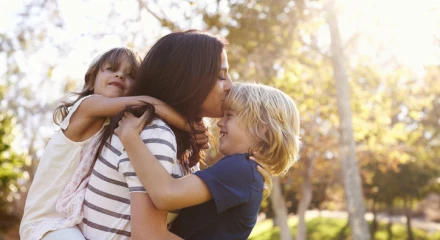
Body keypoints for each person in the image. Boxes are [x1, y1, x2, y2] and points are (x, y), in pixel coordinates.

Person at [19, 47, 193, 240]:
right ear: (92, 82)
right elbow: (148, 104)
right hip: (47, 222)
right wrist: (190, 126)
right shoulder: (87, 106)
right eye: (111, 68)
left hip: (72, 220)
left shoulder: (114, 126)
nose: (119, 75)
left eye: (130, 75)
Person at [80, 30, 232, 239]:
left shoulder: (174, 137)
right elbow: (149, 236)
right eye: (221, 76)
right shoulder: (154, 133)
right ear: (189, 78)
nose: (230, 86)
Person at [115, 82, 301, 240]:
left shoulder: (241, 168)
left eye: (229, 115)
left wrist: (130, 137)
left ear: (262, 130)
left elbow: (166, 194)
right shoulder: (247, 172)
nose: (219, 123)